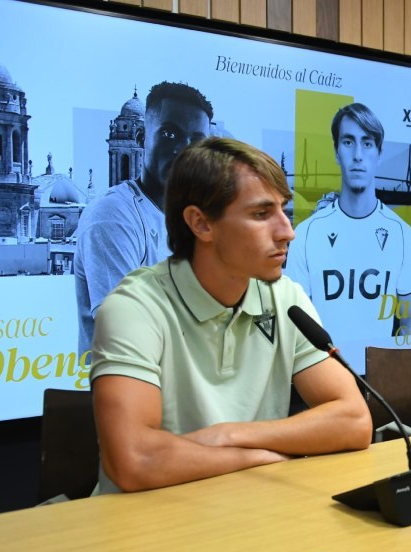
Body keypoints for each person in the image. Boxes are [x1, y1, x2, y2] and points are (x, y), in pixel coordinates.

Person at [89, 137, 372, 493]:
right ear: (201, 224)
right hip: (150, 519)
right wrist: (260, 458)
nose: (288, 232)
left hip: (249, 508)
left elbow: (354, 420)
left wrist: (229, 434)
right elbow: (134, 461)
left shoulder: (286, 298)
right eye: (261, 214)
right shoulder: (134, 307)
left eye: (283, 210)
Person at [75, 81, 214, 356]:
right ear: (141, 138)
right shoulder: (113, 214)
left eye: (198, 142)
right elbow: (126, 335)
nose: (185, 151)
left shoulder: (193, 221)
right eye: (170, 134)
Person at [285, 102, 411, 368]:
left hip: (379, 381)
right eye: (348, 142)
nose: (358, 155)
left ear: (379, 153)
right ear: (337, 151)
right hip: (321, 378)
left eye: (367, 143)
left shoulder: (402, 234)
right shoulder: (307, 233)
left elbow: (409, 323)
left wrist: (403, 379)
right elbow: (295, 330)